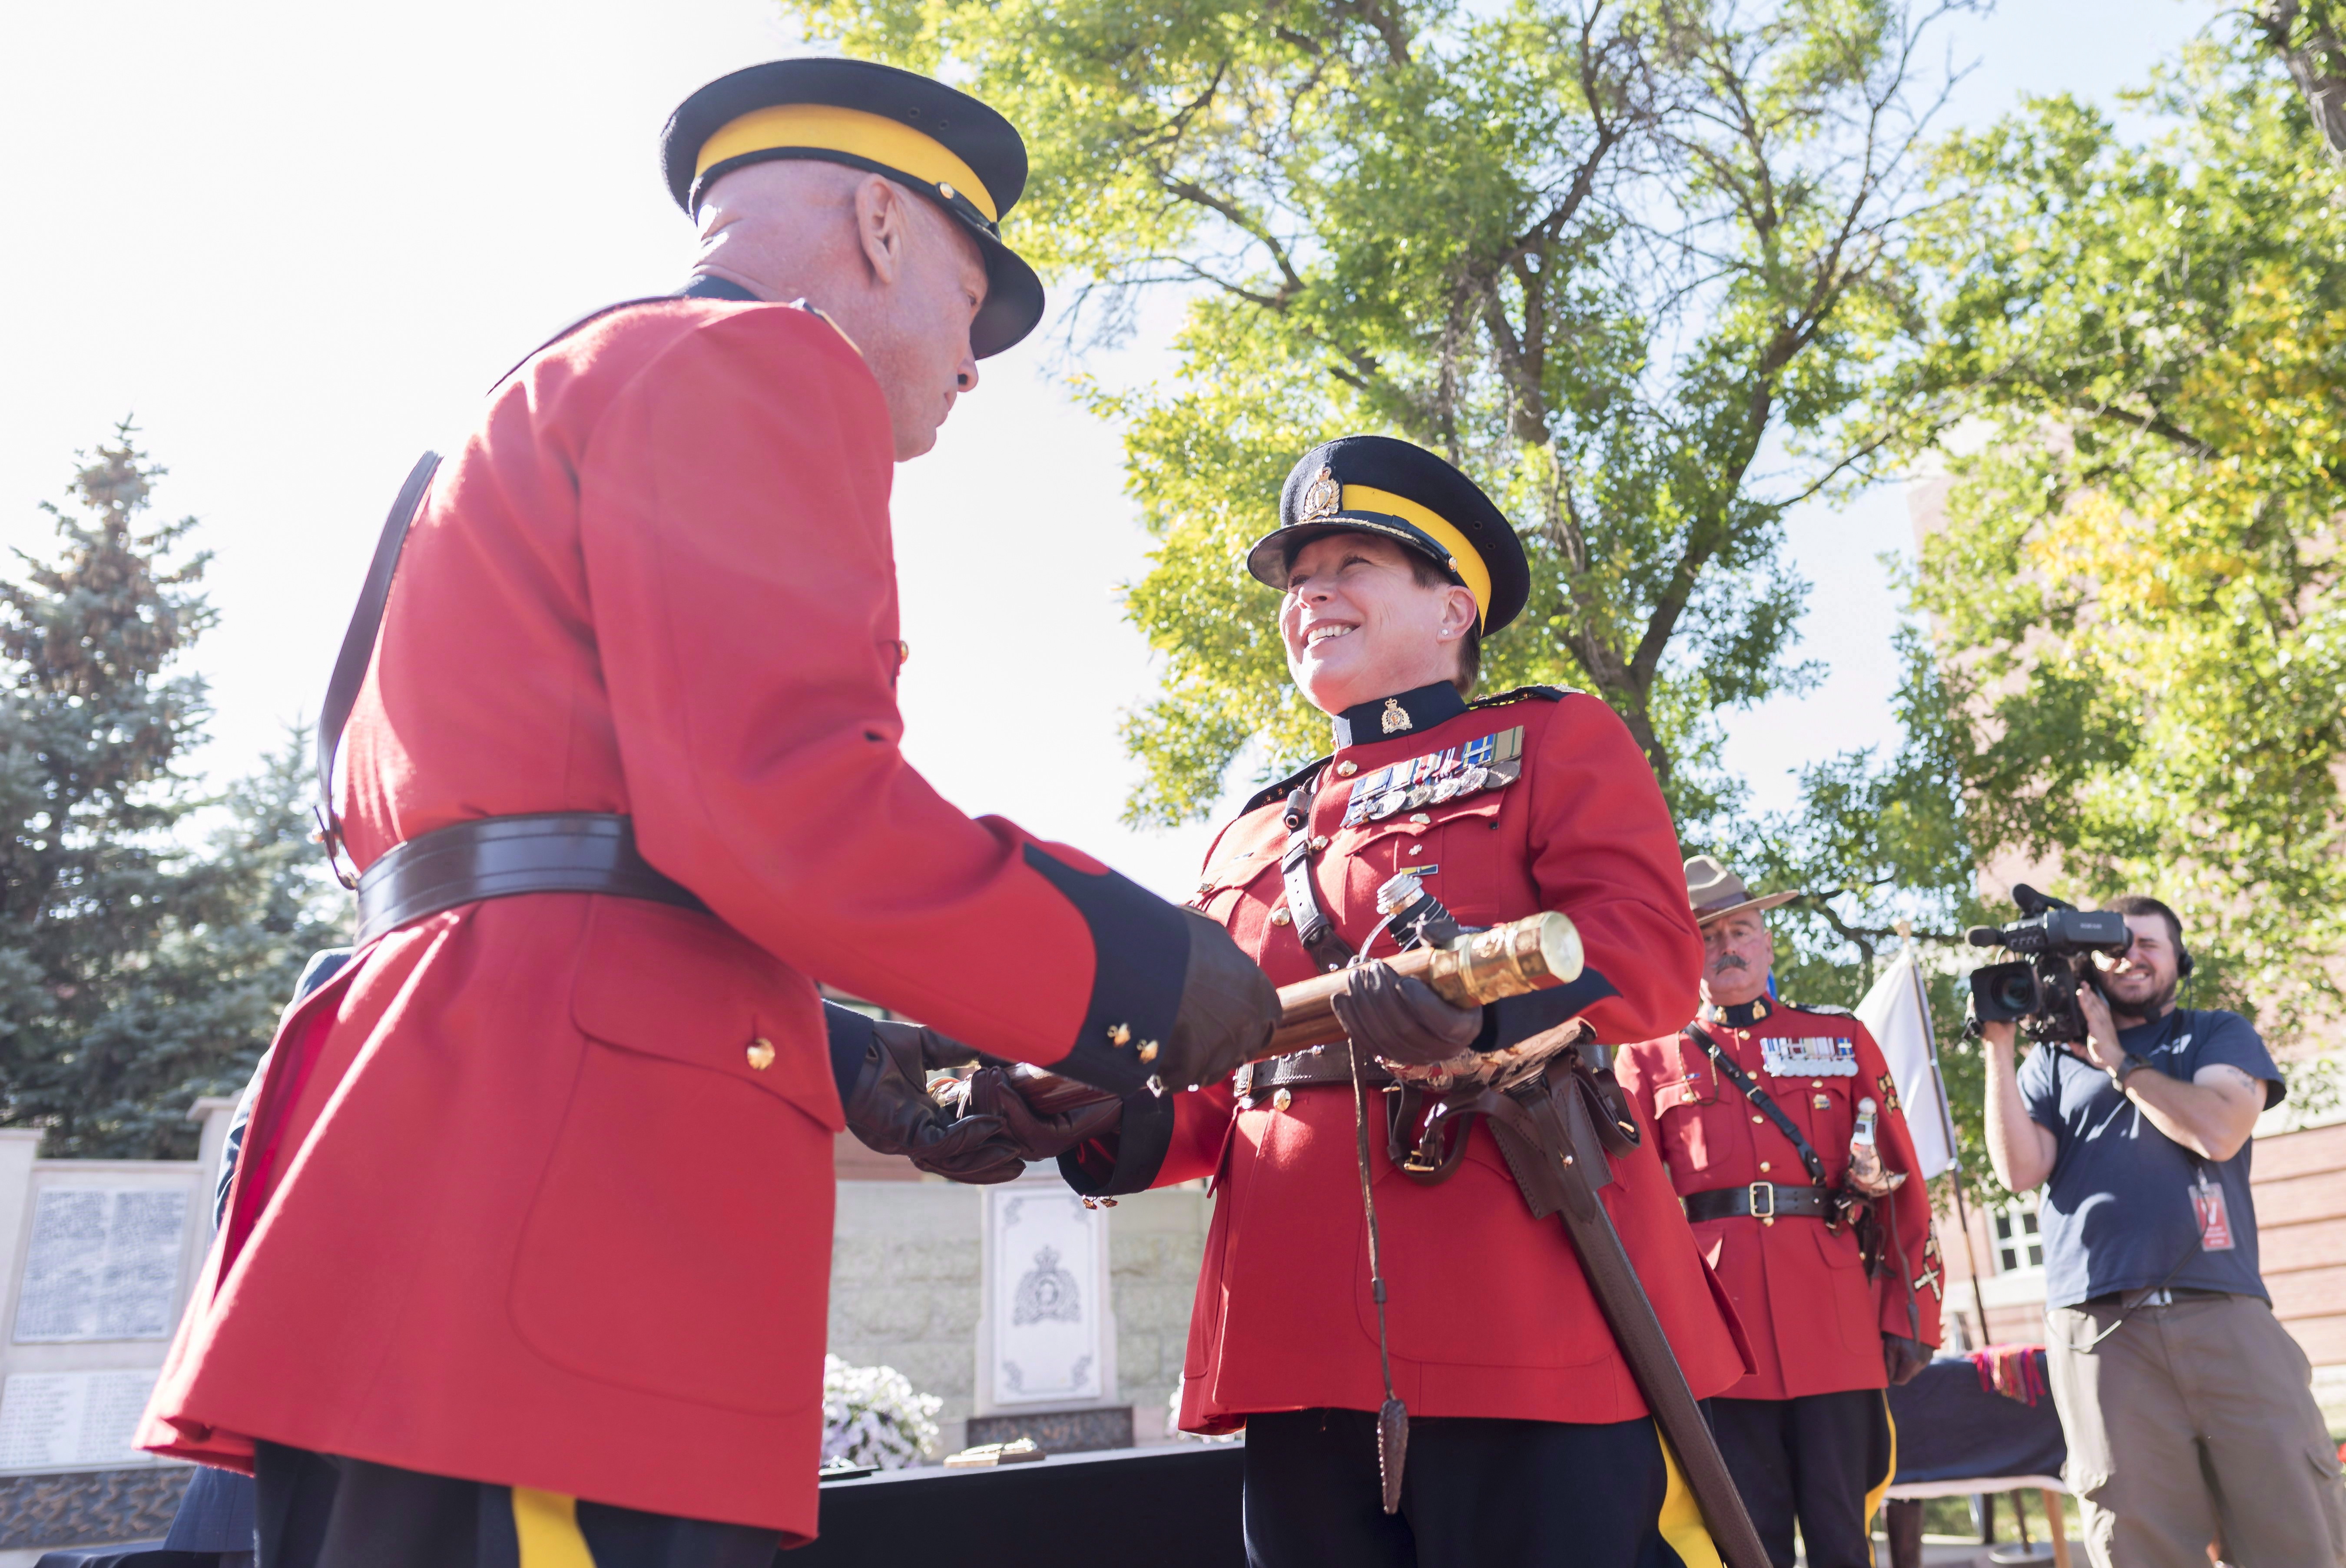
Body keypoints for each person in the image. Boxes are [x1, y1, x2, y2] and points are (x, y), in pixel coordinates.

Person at [133, 58, 1277, 1566]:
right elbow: (783, 800)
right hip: (574, 1203)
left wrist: (866, 1062)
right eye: (970, 285)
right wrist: (1142, 983)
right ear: (879, 220)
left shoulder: (544, 398)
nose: (976, 356)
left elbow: (561, 854)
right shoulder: (760, 364)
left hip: (436, 1153)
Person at [967, 435, 1752, 1567]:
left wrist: (1483, 1015)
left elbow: (1650, 953)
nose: (1311, 594)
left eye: (1353, 563)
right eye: (1297, 580)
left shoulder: (1553, 739)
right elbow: (1207, 1091)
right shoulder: (1249, 832)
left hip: (1524, 1311)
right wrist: (1074, 1113)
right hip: (1293, 1338)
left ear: (1455, 610)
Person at [1980, 894, 2346, 1568]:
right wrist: (1999, 1050)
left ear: (2180, 956)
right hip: (2100, 1330)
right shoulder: (2052, 1063)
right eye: (2116, 945)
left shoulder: (2215, 1033)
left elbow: (2216, 1129)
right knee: (2138, 1538)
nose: (2133, 955)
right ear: (2090, 965)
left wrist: (2118, 1062)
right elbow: (2019, 1170)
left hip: (2224, 1312)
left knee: (2294, 1523)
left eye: (2148, 942)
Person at [1614, 859, 1941, 1568]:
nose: (1727, 944)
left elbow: (1901, 1183)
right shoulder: (1646, 1058)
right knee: (1743, 1538)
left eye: (1742, 928)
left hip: (1834, 1322)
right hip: (1718, 1332)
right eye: (1707, 933)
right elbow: (1629, 1209)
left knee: (1842, 1534)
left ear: (1768, 943)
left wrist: (1909, 1313)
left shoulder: (1841, 1039)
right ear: (1684, 949)